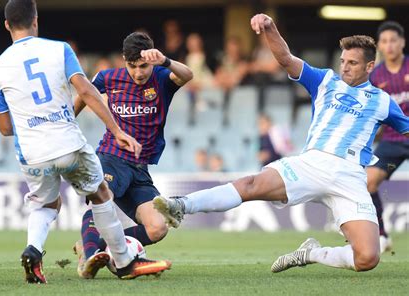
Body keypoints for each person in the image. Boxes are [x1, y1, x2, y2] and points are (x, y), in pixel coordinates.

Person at [154, 13, 409, 274]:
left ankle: (312, 253)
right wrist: (270, 27)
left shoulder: (383, 101)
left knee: (367, 258)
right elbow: (286, 59)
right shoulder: (325, 81)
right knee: (251, 184)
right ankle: (181, 205)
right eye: (343, 61)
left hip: (351, 177)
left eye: (353, 63)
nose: (344, 67)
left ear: (369, 67)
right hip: (312, 164)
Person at [0, 0, 171, 283]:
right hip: (68, 144)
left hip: (32, 153)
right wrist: (117, 130)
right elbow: (86, 91)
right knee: (100, 193)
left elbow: (3, 127)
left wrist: (33, 123)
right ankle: (122, 261)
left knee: (44, 205)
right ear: (36, 20)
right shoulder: (59, 49)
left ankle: (33, 250)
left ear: (6, 25)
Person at [72, 31, 193, 279]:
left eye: (144, 66)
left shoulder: (161, 77)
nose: (139, 73)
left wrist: (165, 61)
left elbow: (188, 75)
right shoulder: (109, 78)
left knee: (158, 227)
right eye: (132, 66)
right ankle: (91, 255)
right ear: (123, 60)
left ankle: (95, 247)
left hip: (139, 168)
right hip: (111, 156)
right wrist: (67, 124)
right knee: (101, 201)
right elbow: (84, 93)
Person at [367, 21, 409, 253]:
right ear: (379, 47)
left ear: (402, 42)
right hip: (392, 140)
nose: (389, 45)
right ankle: (381, 235)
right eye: (384, 41)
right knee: (368, 182)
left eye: (393, 40)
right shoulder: (375, 77)